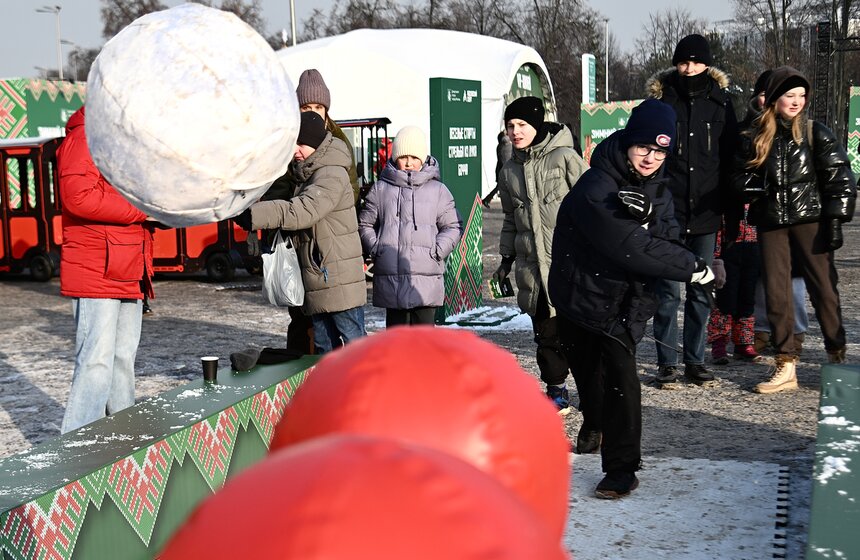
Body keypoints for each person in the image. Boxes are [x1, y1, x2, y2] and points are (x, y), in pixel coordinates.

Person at [549, 99, 711, 499]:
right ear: (626, 142)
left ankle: (622, 468)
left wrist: (651, 216)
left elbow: (666, 238)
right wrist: (694, 267)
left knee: (622, 380)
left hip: (624, 303)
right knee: (588, 377)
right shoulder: (596, 186)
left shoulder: (659, 187)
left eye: (660, 151)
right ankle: (595, 423)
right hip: (579, 297)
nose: (651, 158)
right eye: (644, 148)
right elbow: (629, 246)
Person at [734, 66, 855, 393]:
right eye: (790, 95)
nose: (797, 101)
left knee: (824, 291)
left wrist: (834, 221)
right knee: (776, 292)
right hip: (772, 223)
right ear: (773, 98)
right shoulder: (754, 135)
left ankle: (836, 356)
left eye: (802, 95)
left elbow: (841, 179)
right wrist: (752, 191)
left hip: (810, 221)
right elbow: (737, 176)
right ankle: (786, 364)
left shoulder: (816, 132)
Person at [645, 33, 739, 387]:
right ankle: (667, 361)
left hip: (706, 212)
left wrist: (730, 210)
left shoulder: (721, 103)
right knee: (667, 291)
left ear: (707, 64)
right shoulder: (661, 100)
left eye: (697, 62)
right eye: (684, 62)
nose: (689, 69)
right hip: (667, 212)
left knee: (701, 290)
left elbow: (730, 158)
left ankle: (695, 360)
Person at [247, 68, 361, 354]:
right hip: (300, 250)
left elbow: (325, 199)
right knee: (310, 329)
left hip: (328, 250)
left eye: (318, 107)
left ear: (326, 109)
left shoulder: (333, 149)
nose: (313, 111)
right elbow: (276, 188)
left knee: (345, 335)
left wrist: (270, 212)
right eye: (306, 106)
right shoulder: (290, 145)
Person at [58, 106, 155, 433]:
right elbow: (78, 197)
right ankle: (76, 449)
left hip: (127, 264)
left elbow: (136, 202)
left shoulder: (122, 141)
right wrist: (141, 211)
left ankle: (124, 437)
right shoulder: (85, 136)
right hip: (96, 267)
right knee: (96, 363)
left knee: (121, 361)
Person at [494, 96, 588, 411]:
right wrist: (505, 259)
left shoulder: (565, 157)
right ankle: (557, 389)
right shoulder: (508, 171)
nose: (515, 132)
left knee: (580, 334)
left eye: (521, 125)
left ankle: (591, 390)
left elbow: (593, 201)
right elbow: (510, 218)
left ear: (536, 124)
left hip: (570, 264)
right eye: (510, 126)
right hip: (533, 269)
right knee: (546, 336)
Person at [358, 125, 462, 327]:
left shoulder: (438, 191)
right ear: (395, 157)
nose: (408, 163)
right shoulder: (381, 189)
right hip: (392, 277)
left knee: (423, 343)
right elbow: (365, 223)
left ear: (423, 158)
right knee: (396, 344)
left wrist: (437, 250)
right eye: (403, 157)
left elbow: (453, 225)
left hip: (425, 278)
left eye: (414, 158)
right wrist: (376, 247)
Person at [482, 130, 513, 207]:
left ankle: (487, 199)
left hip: (500, 169)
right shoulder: (508, 146)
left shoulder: (500, 146)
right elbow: (508, 159)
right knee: (506, 187)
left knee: (500, 186)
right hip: (506, 170)